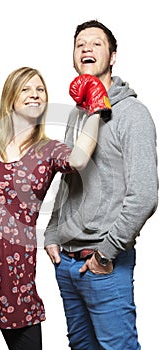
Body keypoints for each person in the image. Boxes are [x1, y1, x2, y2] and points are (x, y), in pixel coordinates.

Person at [0, 66, 111, 350]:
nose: (35, 95)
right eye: (26, 89)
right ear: (10, 98)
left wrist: (96, 111)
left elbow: (80, 159)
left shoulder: (48, 151)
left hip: (16, 275)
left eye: (40, 90)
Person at [44, 20, 158, 350]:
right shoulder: (77, 115)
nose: (87, 49)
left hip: (104, 265)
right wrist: (52, 232)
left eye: (96, 44)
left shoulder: (132, 114)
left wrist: (105, 255)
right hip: (66, 263)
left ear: (113, 56)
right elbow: (68, 182)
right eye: (80, 45)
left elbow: (145, 195)